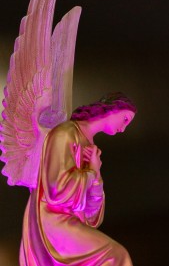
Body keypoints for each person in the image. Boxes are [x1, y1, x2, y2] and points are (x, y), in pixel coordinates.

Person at [19, 93, 136, 266]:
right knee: (117, 256)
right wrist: (91, 172)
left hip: (73, 221)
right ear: (112, 109)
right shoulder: (65, 133)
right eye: (125, 119)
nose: (123, 128)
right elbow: (57, 189)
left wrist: (95, 175)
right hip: (54, 222)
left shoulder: (90, 146)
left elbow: (91, 213)